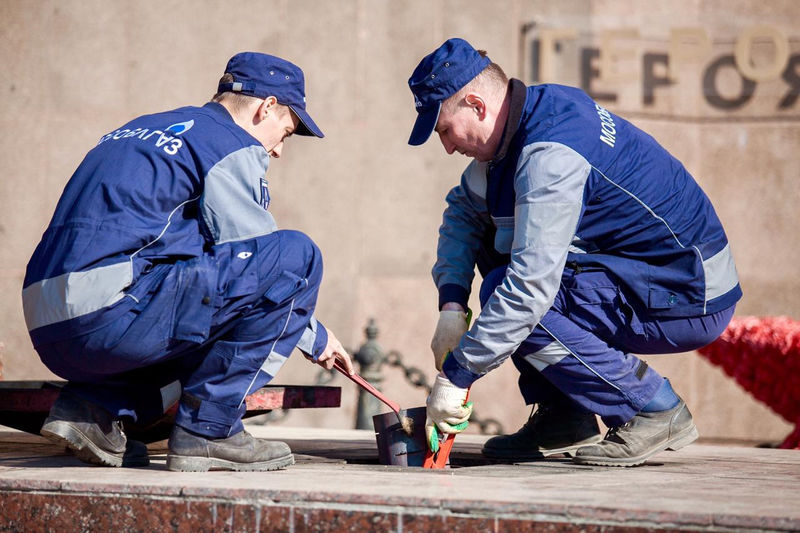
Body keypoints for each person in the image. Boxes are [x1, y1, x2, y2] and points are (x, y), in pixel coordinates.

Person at [409, 38, 741, 466]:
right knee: (498, 254)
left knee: (509, 291)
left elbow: (530, 289)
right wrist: (451, 303)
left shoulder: (549, 155)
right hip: (657, 274)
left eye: (445, 131)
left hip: (690, 292)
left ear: (476, 105)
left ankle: (653, 407)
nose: (449, 148)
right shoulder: (531, 115)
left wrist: (457, 377)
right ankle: (566, 415)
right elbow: (464, 211)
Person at [22, 52, 354, 472]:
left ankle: (93, 410)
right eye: (285, 132)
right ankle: (209, 432)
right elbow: (266, 264)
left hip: (50, 327)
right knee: (297, 256)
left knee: (210, 307)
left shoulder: (140, 127)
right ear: (266, 107)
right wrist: (315, 337)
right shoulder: (227, 142)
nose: (279, 151)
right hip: (108, 316)